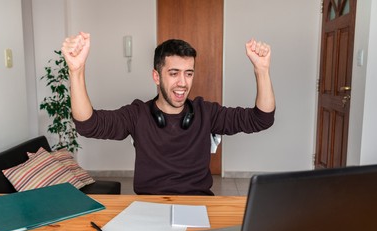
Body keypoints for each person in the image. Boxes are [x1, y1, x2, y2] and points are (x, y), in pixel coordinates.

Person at [61, 32, 275, 195]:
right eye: (174, 73)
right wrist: (76, 71)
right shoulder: (138, 114)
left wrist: (262, 70)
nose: (182, 83)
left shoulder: (206, 112)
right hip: (150, 207)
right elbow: (88, 125)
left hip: (199, 205)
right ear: (156, 76)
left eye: (188, 73)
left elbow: (262, 119)